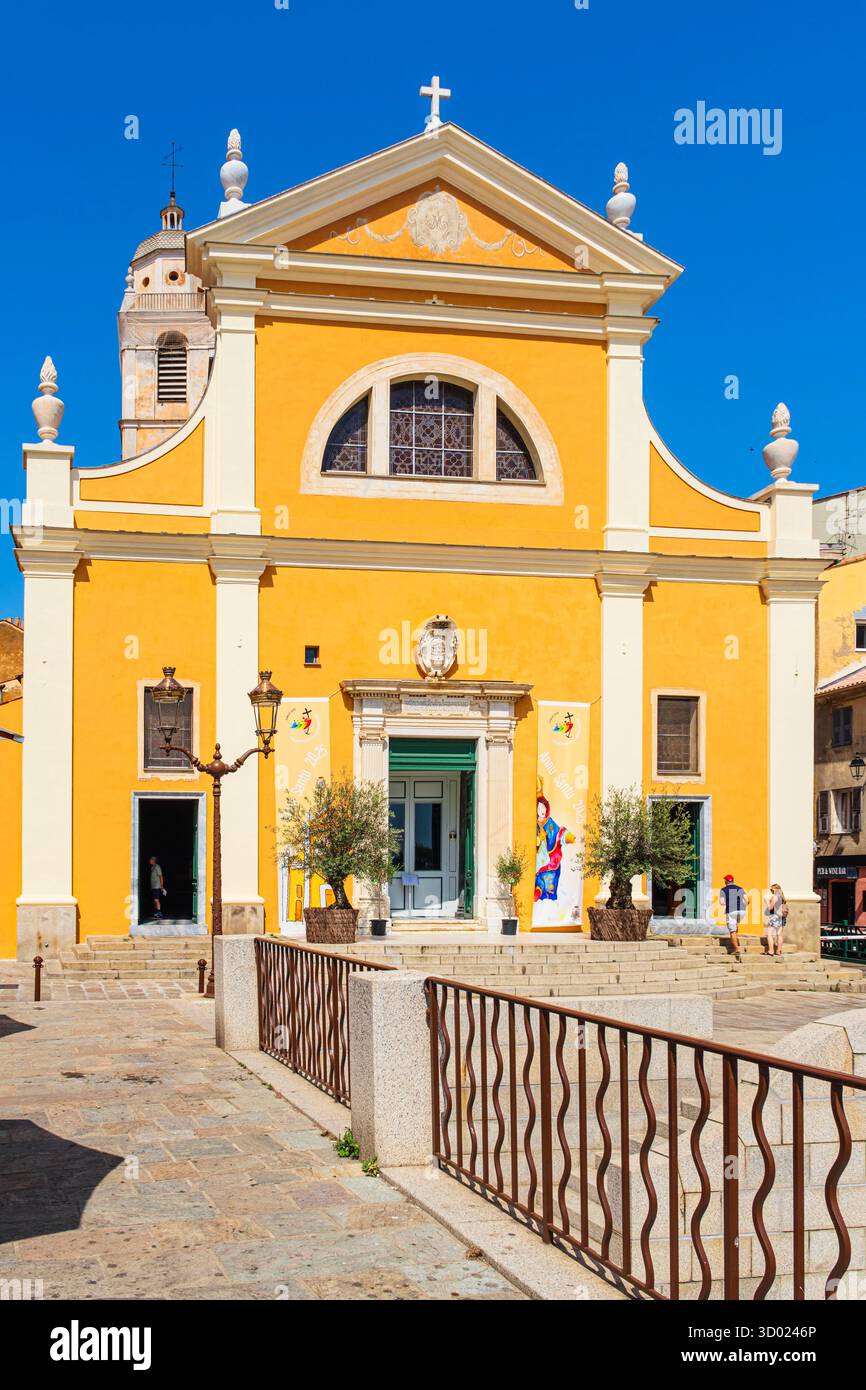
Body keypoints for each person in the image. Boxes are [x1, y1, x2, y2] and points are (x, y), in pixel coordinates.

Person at [719, 873, 746, 963]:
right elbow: (746, 900)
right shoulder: (740, 888)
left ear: (726, 881)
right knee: (735, 925)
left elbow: (722, 902)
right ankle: (736, 942)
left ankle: (736, 949)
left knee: (732, 931)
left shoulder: (723, 890)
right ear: (733, 881)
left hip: (731, 910)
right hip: (742, 911)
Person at [764, 883, 788, 958]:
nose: (771, 891)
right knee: (779, 934)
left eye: (771, 890)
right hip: (782, 917)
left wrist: (767, 902)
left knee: (769, 934)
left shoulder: (775, 897)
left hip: (775, 917)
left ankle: (771, 951)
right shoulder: (783, 897)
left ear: (775, 889)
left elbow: (770, 908)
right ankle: (779, 951)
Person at [148, 855, 166, 922]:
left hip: (157, 886)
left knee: (156, 900)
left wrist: (161, 885)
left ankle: (159, 913)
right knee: (154, 900)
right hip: (153, 886)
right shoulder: (152, 867)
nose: (149, 861)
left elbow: (161, 876)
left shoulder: (157, 867)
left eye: (151, 859)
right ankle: (156, 913)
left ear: (154, 860)